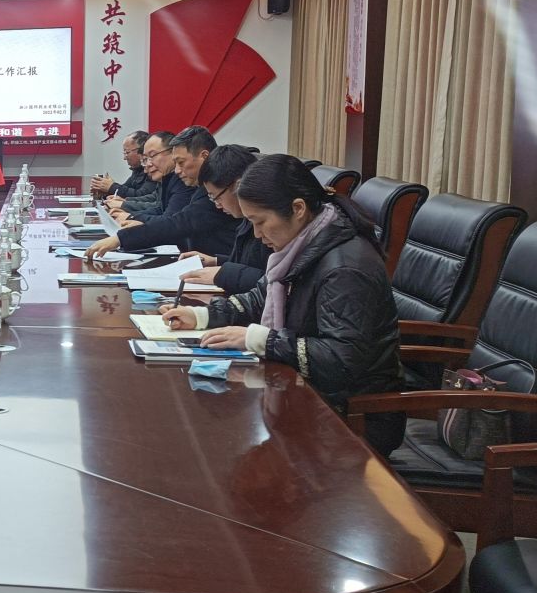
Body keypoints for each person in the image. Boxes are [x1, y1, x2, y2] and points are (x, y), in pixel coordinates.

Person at [159, 154, 404, 454]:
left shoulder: (345, 267)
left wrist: (261, 339)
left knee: (218, 439)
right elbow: (259, 298)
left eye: (260, 222)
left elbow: (342, 360)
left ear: (298, 209)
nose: (257, 234)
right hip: (307, 392)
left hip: (350, 416)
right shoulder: (304, 245)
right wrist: (201, 316)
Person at [89, 126, 236, 258]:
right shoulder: (195, 185)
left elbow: (178, 223)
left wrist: (121, 238)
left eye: (181, 162)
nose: (177, 170)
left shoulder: (217, 187)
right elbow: (162, 209)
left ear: (204, 156)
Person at [176, 144, 270, 293]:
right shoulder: (247, 220)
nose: (217, 205)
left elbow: (276, 281)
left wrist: (224, 273)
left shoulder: (268, 223)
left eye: (216, 197)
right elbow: (248, 264)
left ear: (238, 186)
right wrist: (216, 261)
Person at [106, 130, 175, 219]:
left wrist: (127, 210)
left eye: (152, 155)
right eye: (145, 159)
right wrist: (125, 203)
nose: (148, 165)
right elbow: (157, 203)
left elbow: (168, 218)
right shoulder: (163, 176)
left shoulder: (180, 180)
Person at [90, 131, 154, 198]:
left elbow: (143, 196)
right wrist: (106, 192)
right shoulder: (138, 170)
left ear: (142, 150)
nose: (124, 158)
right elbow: (126, 190)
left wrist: (112, 187)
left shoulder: (153, 170)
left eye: (127, 152)